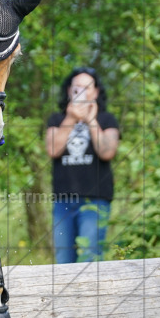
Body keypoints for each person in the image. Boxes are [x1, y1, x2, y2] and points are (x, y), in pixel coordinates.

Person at [45, 67, 121, 263]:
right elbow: (53, 149)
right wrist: (71, 117)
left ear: (95, 92)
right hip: (62, 201)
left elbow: (107, 152)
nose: (81, 91)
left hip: (95, 201)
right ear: (69, 90)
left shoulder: (106, 119)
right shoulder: (57, 119)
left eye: (87, 87)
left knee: (90, 259)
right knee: (63, 261)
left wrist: (91, 120)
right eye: (76, 87)